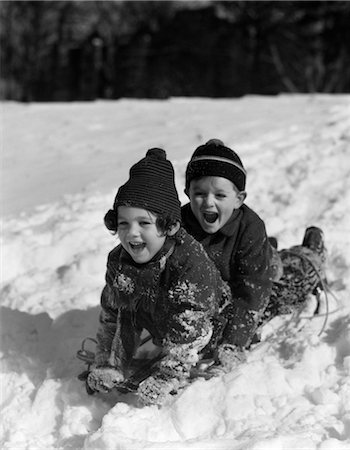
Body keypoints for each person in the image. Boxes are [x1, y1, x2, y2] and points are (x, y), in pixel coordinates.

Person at [85, 148, 231, 406]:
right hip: (163, 322)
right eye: (123, 223)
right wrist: (110, 363)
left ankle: (304, 256)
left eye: (144, 223)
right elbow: (116, 314)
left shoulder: (189, 265)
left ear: (169, 226)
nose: (132, 234)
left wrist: (167, 376)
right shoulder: (119, 261)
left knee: (280, 283)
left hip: (214, 325)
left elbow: (191, 328)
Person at [182, 139, 326, 349]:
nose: (208, 202)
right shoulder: (179, 225)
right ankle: (269, 249)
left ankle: (312, 249)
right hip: (225, 284)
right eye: (200, 193)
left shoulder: (250, 227)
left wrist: (233, 345)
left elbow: (253, 292)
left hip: (262, 275)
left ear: (238, 199)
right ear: (187, 193)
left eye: (220, 195)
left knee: (292, 287)